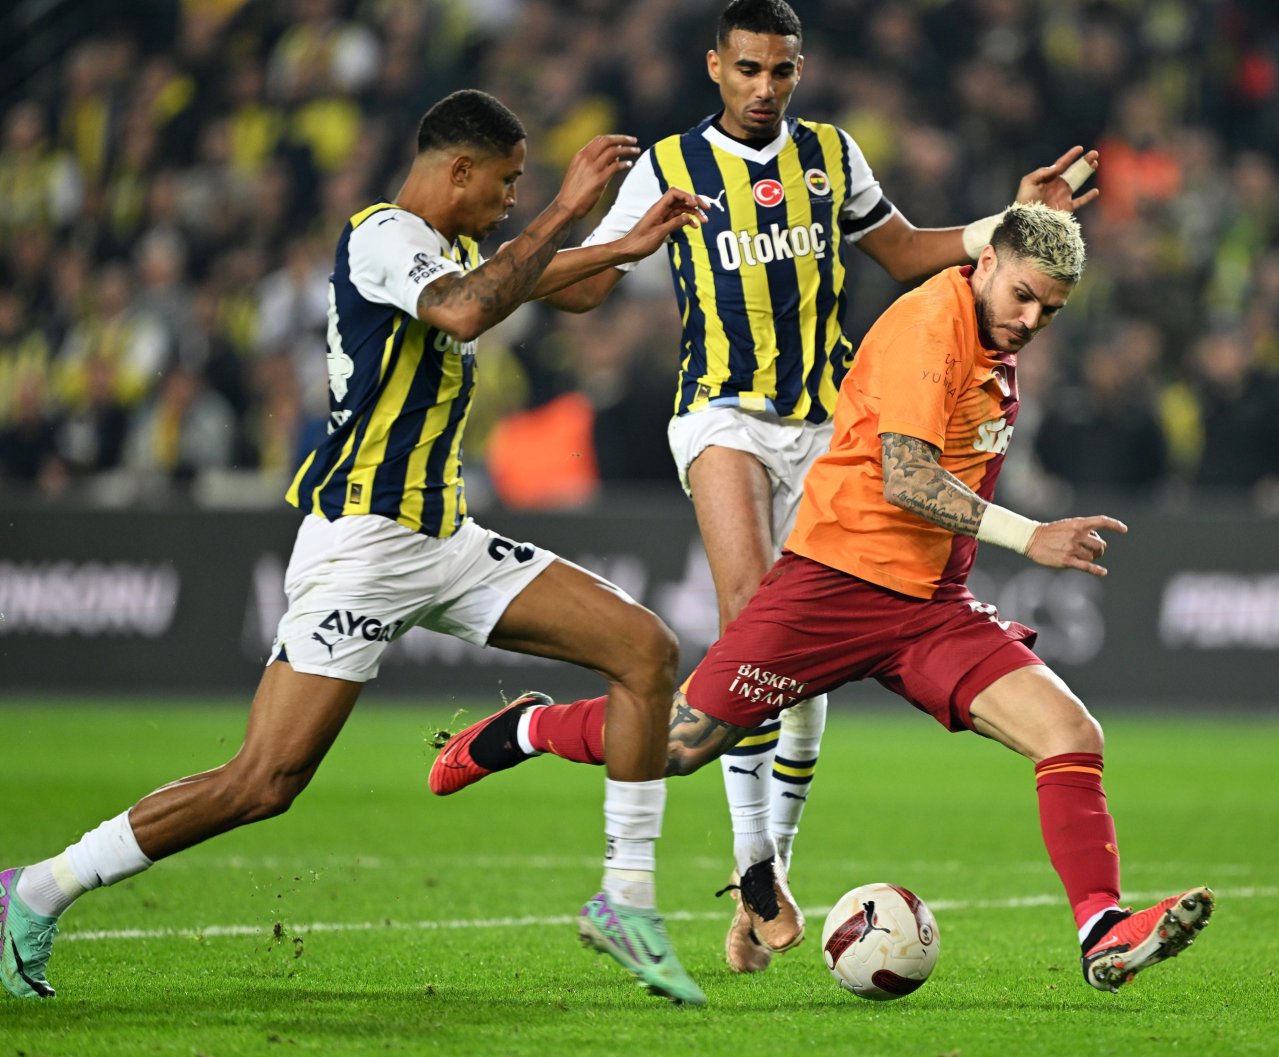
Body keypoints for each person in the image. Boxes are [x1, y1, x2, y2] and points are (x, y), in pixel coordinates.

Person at [427, 0, 1099, 976]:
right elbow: (580, 291)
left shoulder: (829, 155)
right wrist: (572, 251)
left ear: (796, 70)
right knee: (753, 612)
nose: (763, 88)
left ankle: (588, 761)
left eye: (779, 72)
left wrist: (1012, 224)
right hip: (722, 415)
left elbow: (909, 252)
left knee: (790, 666)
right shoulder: (668, 165)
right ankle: (755, 870)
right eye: (746, 69)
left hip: (820, 423)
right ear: (714, 66)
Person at [0, 89, 712, 1006]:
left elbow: (549, 288)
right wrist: (570, 209)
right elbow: (465, 311)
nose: (510, 200)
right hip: (365, 549)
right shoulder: (383, 237)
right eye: (506, 183)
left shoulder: (452, 251)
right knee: (263, 782)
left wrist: (624, 234)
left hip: (444, 539)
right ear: (457, 169)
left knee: (645, 650)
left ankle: (626, 899)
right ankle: (40, 888)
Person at [435, 201, 1216, 993]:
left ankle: (1101, 930)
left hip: (930, 607)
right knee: (676, 747)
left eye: (1050, 308)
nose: (1032, 318)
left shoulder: (992, 336)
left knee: (1071, 733)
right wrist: (1032, 536)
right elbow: (908, 478)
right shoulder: (930, 326)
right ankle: (528, 727)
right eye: (1022, 295)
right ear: (985, 265)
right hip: (832, 590)